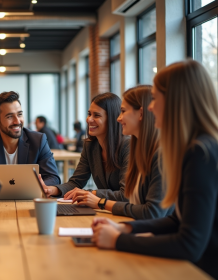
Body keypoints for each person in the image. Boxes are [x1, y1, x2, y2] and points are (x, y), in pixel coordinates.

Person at [91, 60, 218, 279]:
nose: (150, 107)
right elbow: (177, 220)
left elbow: (190, 243)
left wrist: (118, 241)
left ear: (176, 101)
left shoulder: (200, 153)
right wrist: (127, 229)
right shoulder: (197, 146)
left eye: (156, 98)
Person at [69, 86, 173, 219]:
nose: (118, 118)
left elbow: (149, 211)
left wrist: (101, 202)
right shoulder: (140, 149)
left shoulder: (156, 153)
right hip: (137, 225)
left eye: (123, 111)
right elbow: (136, 203)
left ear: (141, 114)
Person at [39, 92, 129, 198]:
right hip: (105, 210)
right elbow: (76, 182)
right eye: (89, 114)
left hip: (124, 211)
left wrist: (90, 193)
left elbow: (126, 195)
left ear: (112, 119)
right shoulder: (90, 146)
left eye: (96, 115)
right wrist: (52, 189)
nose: (89, 119)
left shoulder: (127, 146)